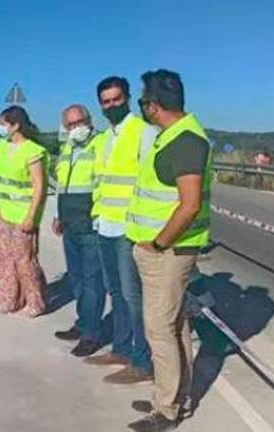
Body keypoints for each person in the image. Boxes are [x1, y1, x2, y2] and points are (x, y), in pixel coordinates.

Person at [126, 69, 212, 431]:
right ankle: (172, 394)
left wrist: (159, 243)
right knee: (173, 325)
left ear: (154, 106)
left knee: (160, 328)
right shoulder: (171, 136)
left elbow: (189, 205)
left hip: (169, 252)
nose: (142, 107)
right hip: (160, 251)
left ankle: (167, 410)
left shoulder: (186, 141)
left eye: (143, 101)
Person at [86, 77, 157, 384]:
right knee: (115, 291)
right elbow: (101, 183)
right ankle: (121, 348)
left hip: (129, 228)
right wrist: (97, 215)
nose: (111, 105)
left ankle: (141, 362)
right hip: (105, 224)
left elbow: (149, 182)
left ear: (127, 99)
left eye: (116, 99)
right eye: (106, 101)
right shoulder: (104, 139)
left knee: (132, 295)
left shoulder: (143, 133)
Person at [51, 105, 106, 356]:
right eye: (70, 125)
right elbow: (63, 185)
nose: (76, 128)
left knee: (93, 281)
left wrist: (98, 217)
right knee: (77, 279)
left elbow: (105, 184)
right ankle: (82, 323)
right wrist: (57, 215)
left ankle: (91, 335)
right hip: (69, 222)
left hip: (90, 224)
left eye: (79, 122)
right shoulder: (67, 149)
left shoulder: (101, 145)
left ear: (90, 121)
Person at [0, 105, 48, 318]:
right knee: (2, 258)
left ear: (16, 125)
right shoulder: (1, 147)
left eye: (4, 124)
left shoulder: (33, 151)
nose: (1, 128)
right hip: (1, 212)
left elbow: (39, 186)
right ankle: (11, 297)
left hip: (23, 215)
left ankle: (35, 301)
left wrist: (32, 216)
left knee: (24, 261)